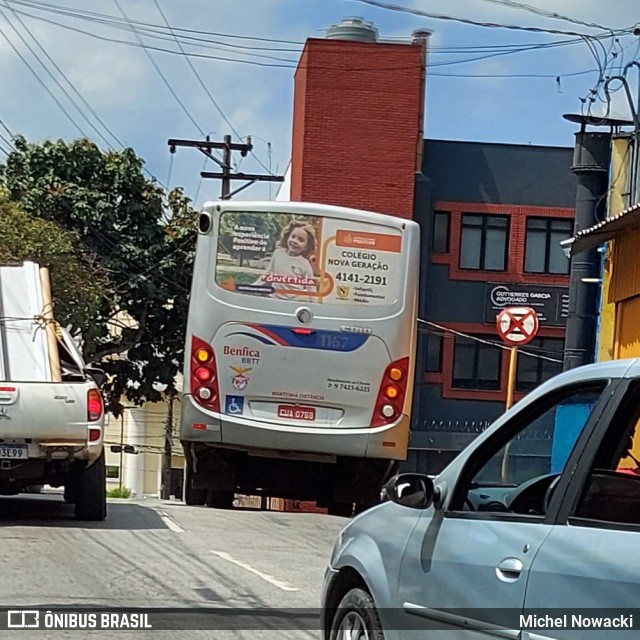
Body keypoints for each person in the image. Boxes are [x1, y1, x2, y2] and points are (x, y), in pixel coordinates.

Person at [255, 220, 317, 299]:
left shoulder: (304, 264)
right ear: (288, 236)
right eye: (293, 236)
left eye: (301, 240)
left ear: (307, 246)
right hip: (274, 297)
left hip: (294, 300)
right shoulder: (278, 253)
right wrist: (251, 287)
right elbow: (267, 274)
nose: (295, 241)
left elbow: (311, 288)